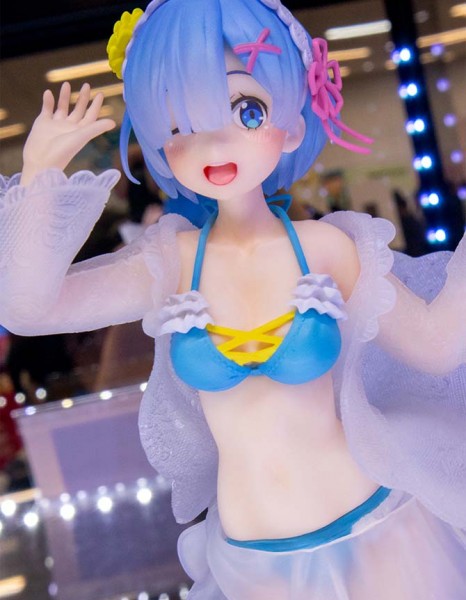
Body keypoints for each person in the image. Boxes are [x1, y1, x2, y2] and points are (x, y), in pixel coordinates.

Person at [0, 1, 465, 597]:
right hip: (252, 565)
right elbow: (29, 310)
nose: (213, 143)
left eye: (247, 111)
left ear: (291, 123)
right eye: (178, 125)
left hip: (376, 534)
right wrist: (40, 171)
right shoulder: (170, 263)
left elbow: (437, 345)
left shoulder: (326, 248)